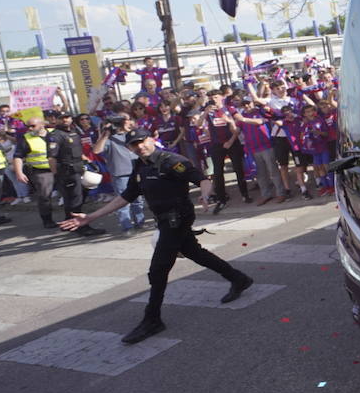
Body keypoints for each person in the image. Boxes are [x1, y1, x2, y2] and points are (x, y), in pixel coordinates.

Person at [59, 129, 254, 344]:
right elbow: (125, 197)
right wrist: (90, 217)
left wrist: (206, 194)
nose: (140, 146)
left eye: (142, 141)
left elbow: (201, 179)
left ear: (152, 139)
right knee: (195, 253)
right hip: (164, 220)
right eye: (134, 144)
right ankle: (239, 278)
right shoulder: (141, 166)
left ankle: (152, 319)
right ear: (129, 148)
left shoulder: (171, 160)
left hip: (177, 219)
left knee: (158, 270)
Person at [95, 115, 147, 234]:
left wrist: (131, 128)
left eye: (128, 119)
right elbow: (97, 150)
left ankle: (140, 223)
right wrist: (105, 134)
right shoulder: (111, 139)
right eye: (124, 121)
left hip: (136, 171)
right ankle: (127, 226)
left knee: (138, 200)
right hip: (121, 174)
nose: (127, 122)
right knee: (123, 202)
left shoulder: (131, 135)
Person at [13, 116, 58, 229]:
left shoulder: (55, 133)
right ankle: (47, 220)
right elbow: (18, 156)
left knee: (69, 193)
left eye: (32, 126)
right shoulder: (26, 138)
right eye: (28, 126)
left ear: (42, 124)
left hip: (60, 169)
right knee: (44, 196)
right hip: (42, 171)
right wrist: (19, 172)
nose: (29, 129)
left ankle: (71, 217)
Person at [48, 112, 90, 231]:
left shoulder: (73, 132)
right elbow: (52, 157)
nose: (65, 120)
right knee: (74, 199)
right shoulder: (56, 135)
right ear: (56, 120)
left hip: (78, 168)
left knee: (77, 197)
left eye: (67, 117)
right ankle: (81, 227)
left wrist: (88, 161)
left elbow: (77, 151)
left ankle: (68, 222)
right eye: (62, 118)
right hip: (66, 171)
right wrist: (55, 174)